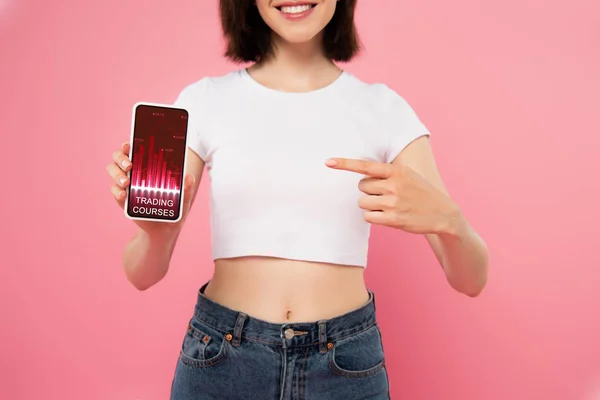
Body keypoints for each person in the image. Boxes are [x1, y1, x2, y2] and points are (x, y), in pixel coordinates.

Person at [106, 0, 489, 398]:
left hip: (344, 367)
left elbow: (471, 279)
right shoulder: (203, 102)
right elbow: (142, 274)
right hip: (222, 362)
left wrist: (451, 221)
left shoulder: (384, 109)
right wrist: (153, 233)